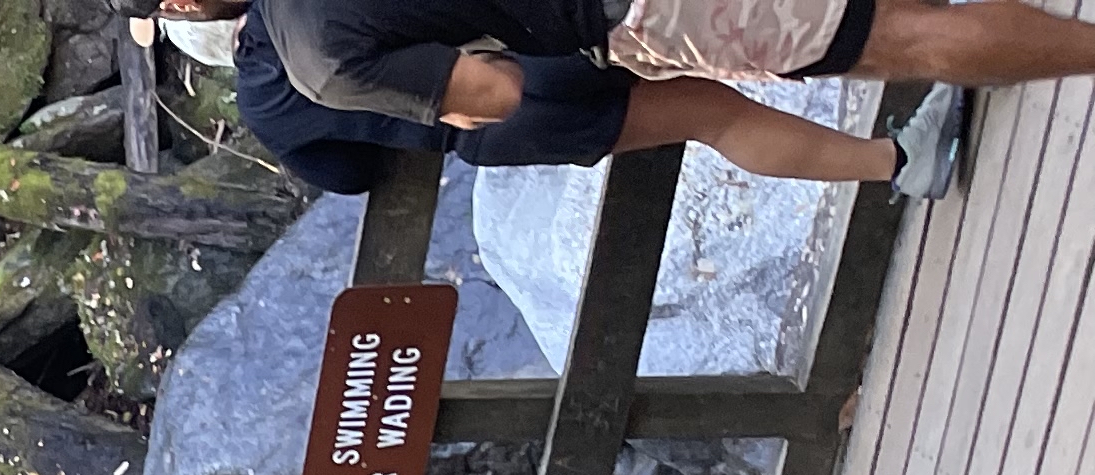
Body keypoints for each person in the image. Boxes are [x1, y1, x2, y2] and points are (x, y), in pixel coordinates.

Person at [159, 0, 959, 191]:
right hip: (527, 36)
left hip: (485, 128)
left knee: (715, 115)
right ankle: (924, 34)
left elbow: (350, 177)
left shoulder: (269, 104)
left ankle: (896, 162)